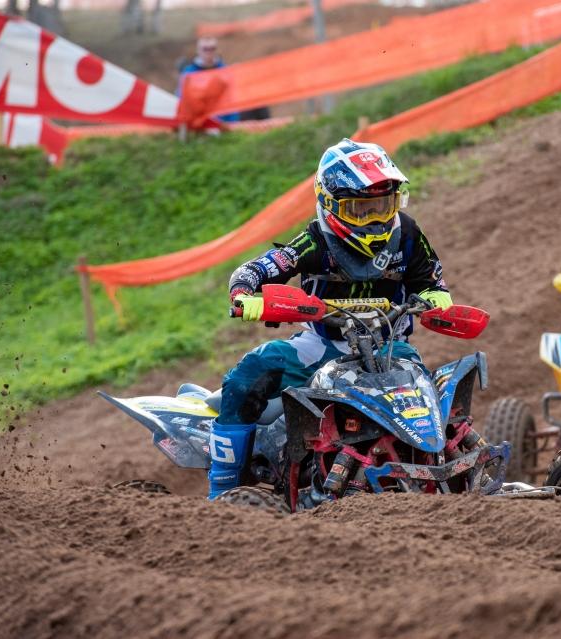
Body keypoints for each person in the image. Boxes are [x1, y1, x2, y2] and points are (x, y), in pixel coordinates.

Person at [207, 139, 453, 500]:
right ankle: (223, 488)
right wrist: (244, 293)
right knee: (247, 377)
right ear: (330, 203)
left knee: (427, 397)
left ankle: (444, 470)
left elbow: (432, 282)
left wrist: (435, 299)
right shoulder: (315, 241)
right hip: (321, 345)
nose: (375, 219)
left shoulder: (408, 235)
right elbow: (260, 268)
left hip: (388, 347)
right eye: (360, 209)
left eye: (383, 206)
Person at [177, 37, 271, 123]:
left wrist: (232, 123)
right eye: (205, 49)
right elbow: (182, 98)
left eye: (212, 49)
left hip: (223, 120)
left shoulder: (224, 71)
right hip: (198, 119)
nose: (209, 52)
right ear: (198, 50)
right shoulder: (189, 73)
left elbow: (231, 97)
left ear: (216, 50)